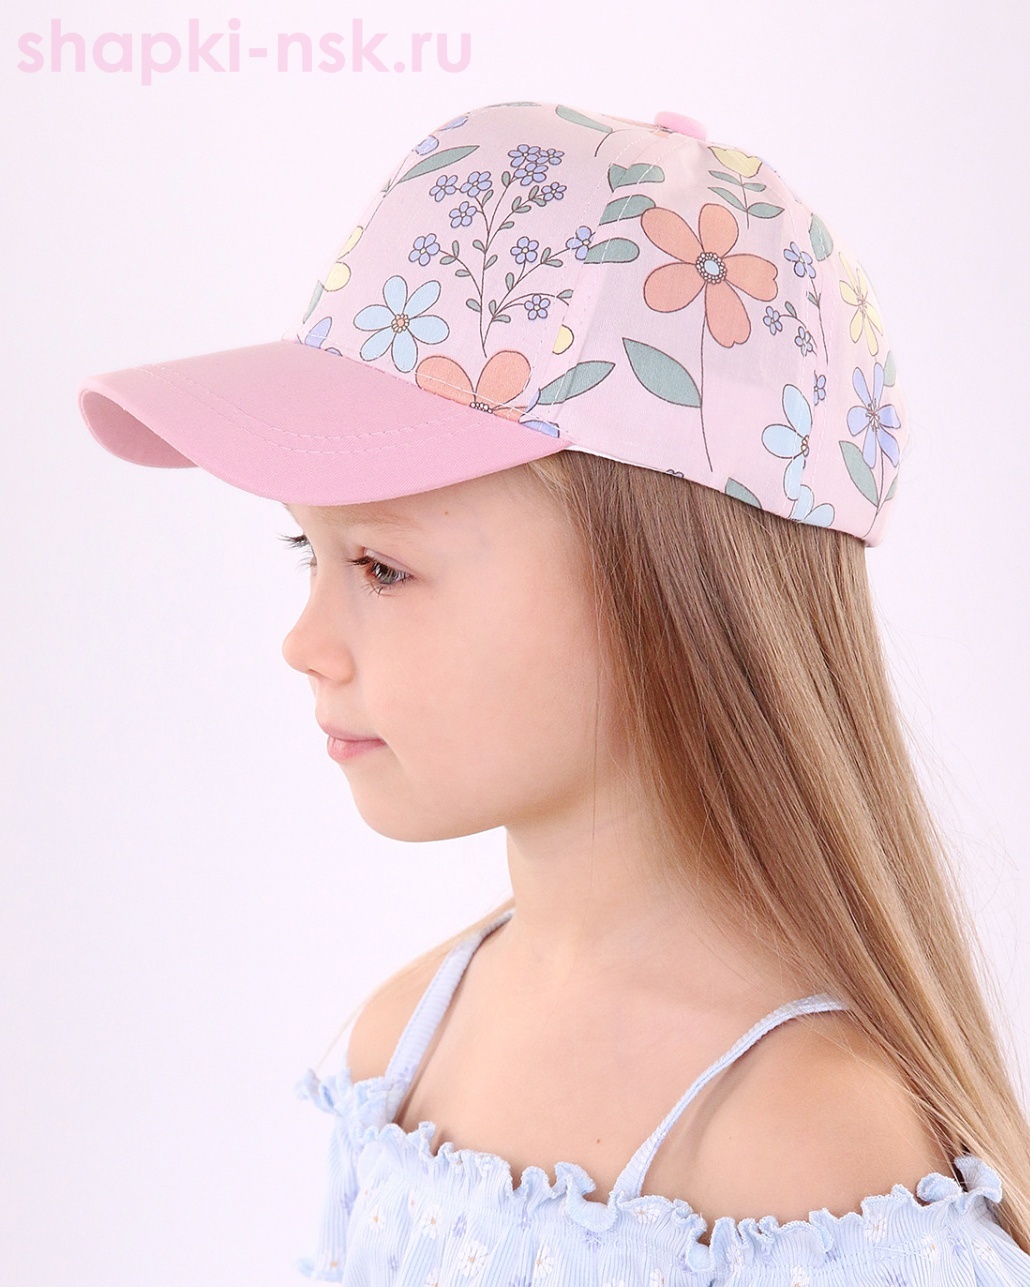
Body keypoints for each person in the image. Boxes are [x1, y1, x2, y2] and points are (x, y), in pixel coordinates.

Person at [76, 99, 1030, 1284]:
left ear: (663, 593)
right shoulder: (404, 1044)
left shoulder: (800, 1145)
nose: (304, 642)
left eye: (380, 566)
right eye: (303, 552)